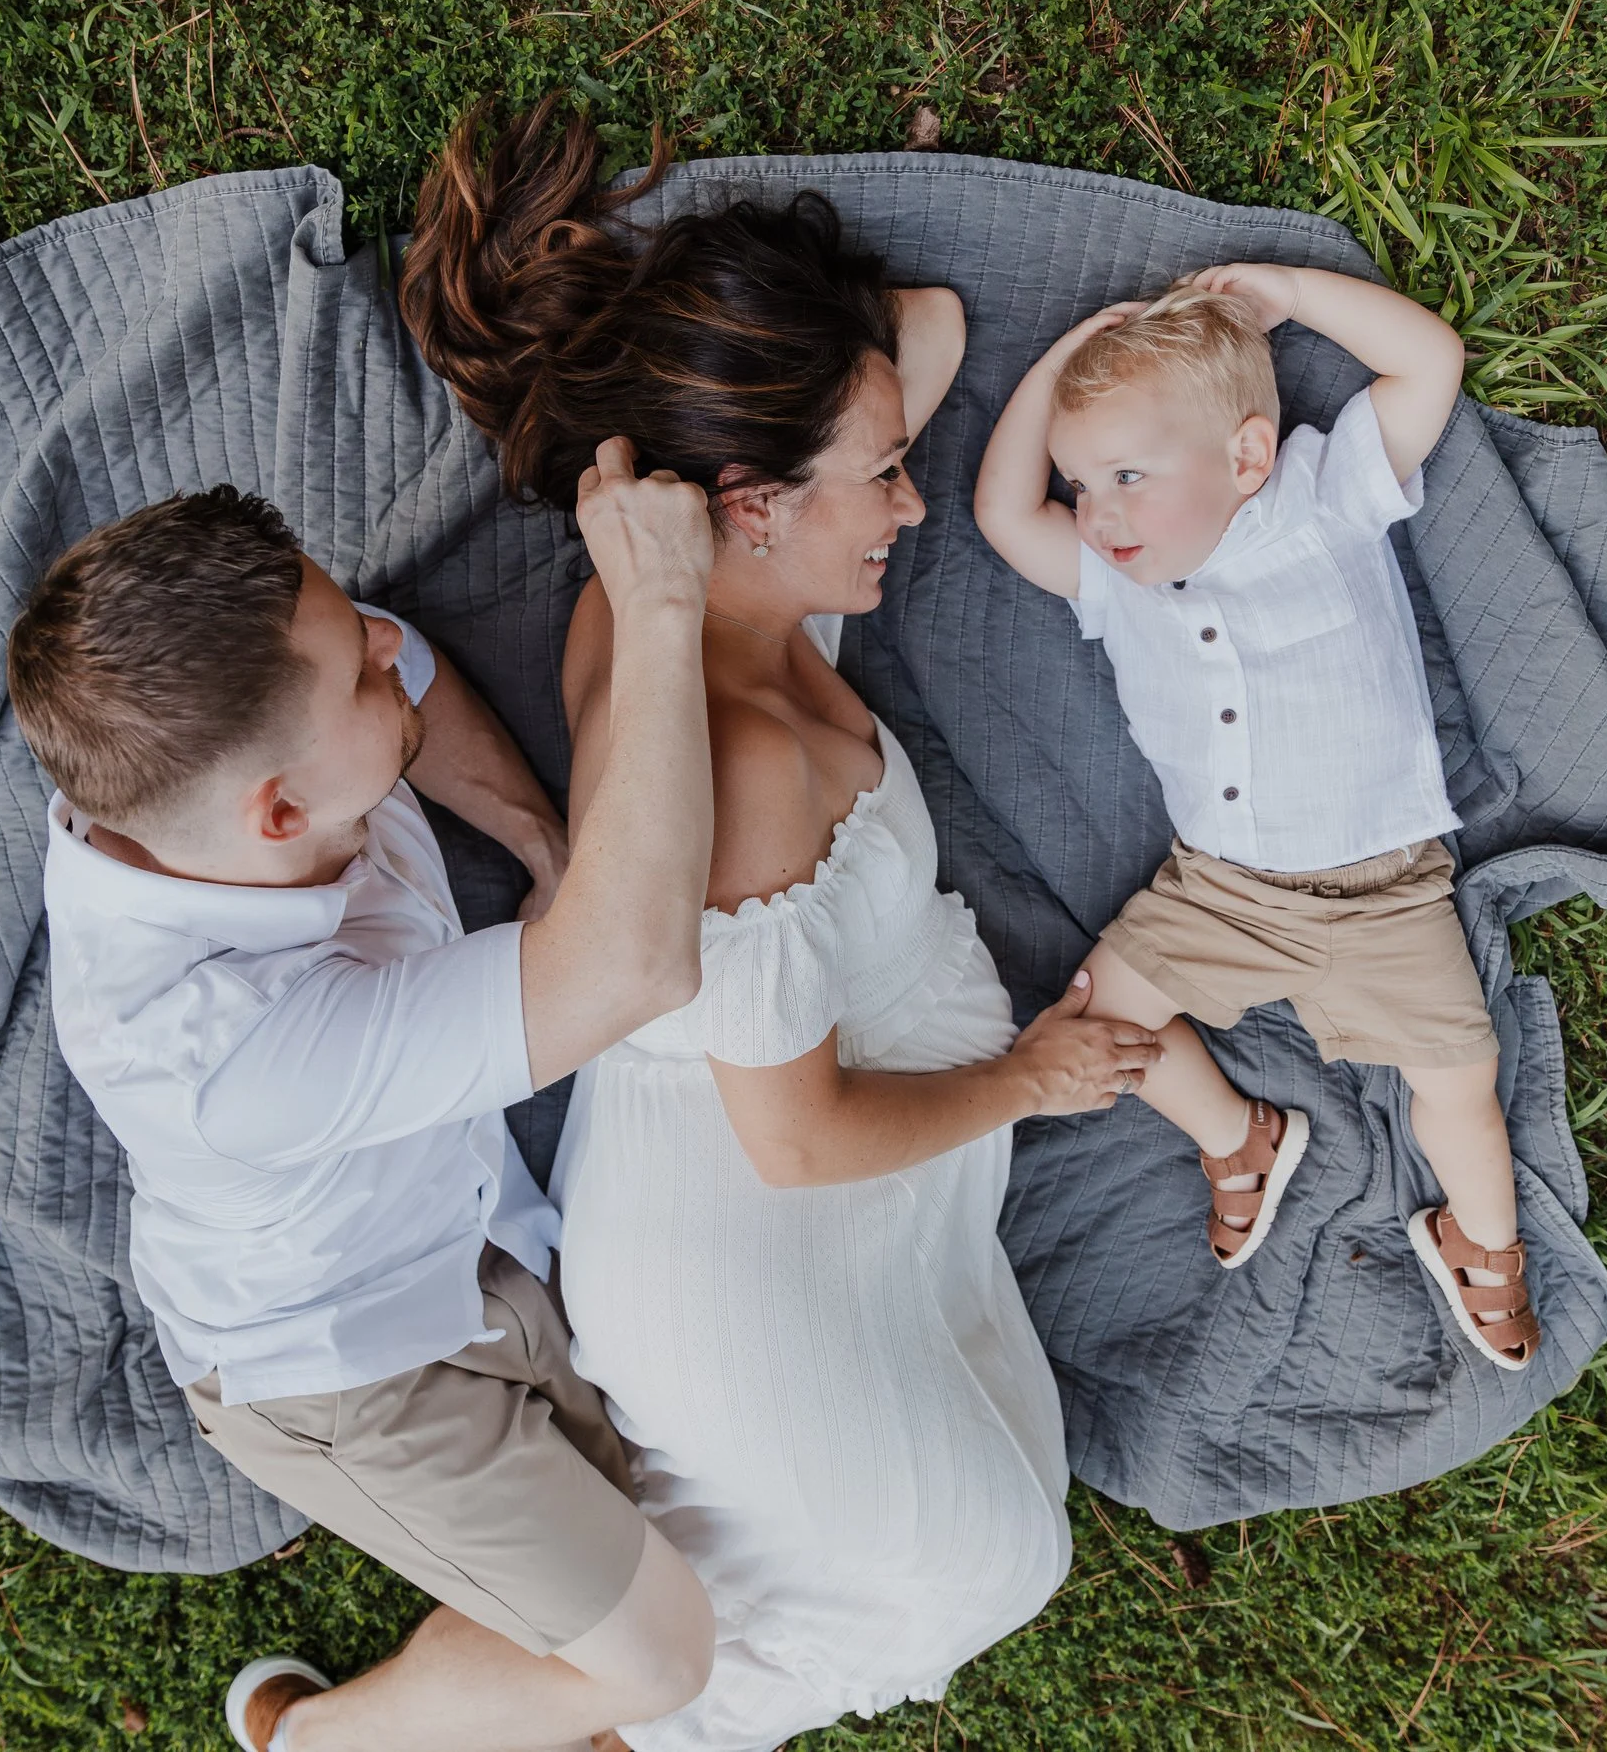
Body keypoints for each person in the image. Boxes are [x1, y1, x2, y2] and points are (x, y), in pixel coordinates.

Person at [403, 98, 1162, 1751]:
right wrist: (1037, 1077)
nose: (915, 505)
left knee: (971, 1553)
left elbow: (927, 336)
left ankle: (509, 1709)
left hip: (862, 1224)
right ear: (748, 504)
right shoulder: (737, 758)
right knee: (986, 1562)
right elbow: (798, 1142)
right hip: (759, 1233)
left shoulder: (706, 593)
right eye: (883, 475)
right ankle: (375, 1730)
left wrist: (755, 387)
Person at [8, 447, 729, 1750]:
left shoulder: (190, 772)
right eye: (357, 667)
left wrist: (539, 841)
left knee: (640, 1520)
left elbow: (416, 670)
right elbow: (641, 963)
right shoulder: (229, 1056)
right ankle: (307, 1735)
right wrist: (667, 602)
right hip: (348, 1370)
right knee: (669, 1655)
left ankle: (542, 1668)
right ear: (278, 812)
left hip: (468, 1226)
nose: (392, 650)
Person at [972, 266, 1540, 1371]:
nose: (1100, 512)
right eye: (1083, 483)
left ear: (1243, 457)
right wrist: (1059, 357)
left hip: (1383, 888)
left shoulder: (1325, 495)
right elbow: (1002, 512)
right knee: (1092, 1018)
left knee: (1458, 1080)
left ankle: (1484, 1238)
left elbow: (1429, 361)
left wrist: (1286, 289)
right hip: (1217, 889)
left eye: (1128, 475)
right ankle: (1241, 1136)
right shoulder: (1115, 581)